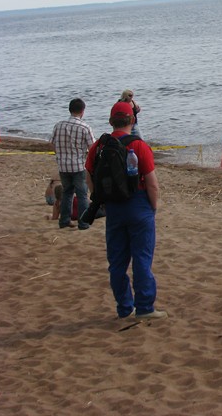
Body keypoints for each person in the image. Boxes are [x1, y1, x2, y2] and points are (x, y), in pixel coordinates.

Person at [85, 101, 166, 320]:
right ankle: (145, 308)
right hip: (138, 204)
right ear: (132, 120)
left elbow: (89, 177)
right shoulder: (139, 146)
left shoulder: (98, 146)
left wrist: (100, 200)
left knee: (117, 262)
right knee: (142, 257)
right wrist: (153, 207)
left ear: (111, 122)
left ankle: (123, 308)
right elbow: (152, 183)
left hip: (113, 207)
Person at [50, 98, 95, 230]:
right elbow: (92, 147)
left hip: (63, 165)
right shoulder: (84, 127)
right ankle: (83, 223)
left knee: (67, 193)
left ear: (70, 110)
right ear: (82, 111)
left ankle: (64, 221)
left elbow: (52, 143)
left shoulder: (59, 125)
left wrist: (59, 155)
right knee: (82, 195)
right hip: (78, 165)